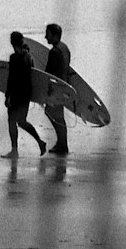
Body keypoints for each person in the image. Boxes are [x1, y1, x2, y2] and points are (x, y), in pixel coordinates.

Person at [2, 31, 47, 158]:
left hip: (16, 94)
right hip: (26, 94)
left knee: (12, 121)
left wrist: (8, 96)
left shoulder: (14, 58)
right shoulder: (28, 57)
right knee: (21, 121)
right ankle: (40, 142)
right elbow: (33, 74)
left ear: (12, 42)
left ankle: (14, 150)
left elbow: (12, 79)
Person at [43, 22, 71, 155]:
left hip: (56, 88)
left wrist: (46, 89)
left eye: (47, 34)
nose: (45, 37)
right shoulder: (64, 48)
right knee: (59, 116)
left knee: (52, 113)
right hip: (64, 86)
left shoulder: (54, 52)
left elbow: (49, 73)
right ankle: (62, 143)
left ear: (54, 35)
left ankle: (62, 144)